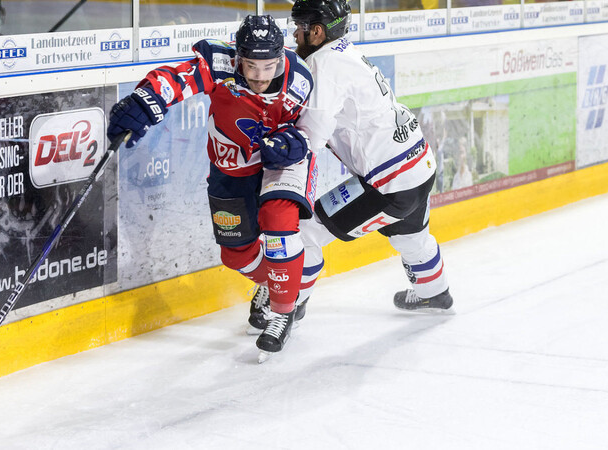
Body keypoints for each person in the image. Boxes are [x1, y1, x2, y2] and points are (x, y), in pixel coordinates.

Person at [106, 15, 316, 361]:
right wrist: (143, 100)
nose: (260, 77)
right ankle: (279, 281)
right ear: (238, 58)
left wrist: (297, 141)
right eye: (251, 66)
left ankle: (283, 310)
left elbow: (314, 127)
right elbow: (177, 79)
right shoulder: (220, 64)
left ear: (281, 57)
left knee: (277, 222)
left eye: (268, 67)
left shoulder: (300, 78)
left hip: (280, 163)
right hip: (231, 167)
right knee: (236, 254)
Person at [285, 0, 453, 316]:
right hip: (419, 163)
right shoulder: (345, 52)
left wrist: (280, 150)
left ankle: (286, 307)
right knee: (411, 236)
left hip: (390, 182)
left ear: (317, 32)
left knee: (305, 231)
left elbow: (313, 134)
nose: (294, 34)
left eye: (299, 27)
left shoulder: (323, 64)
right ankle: (435, 293)